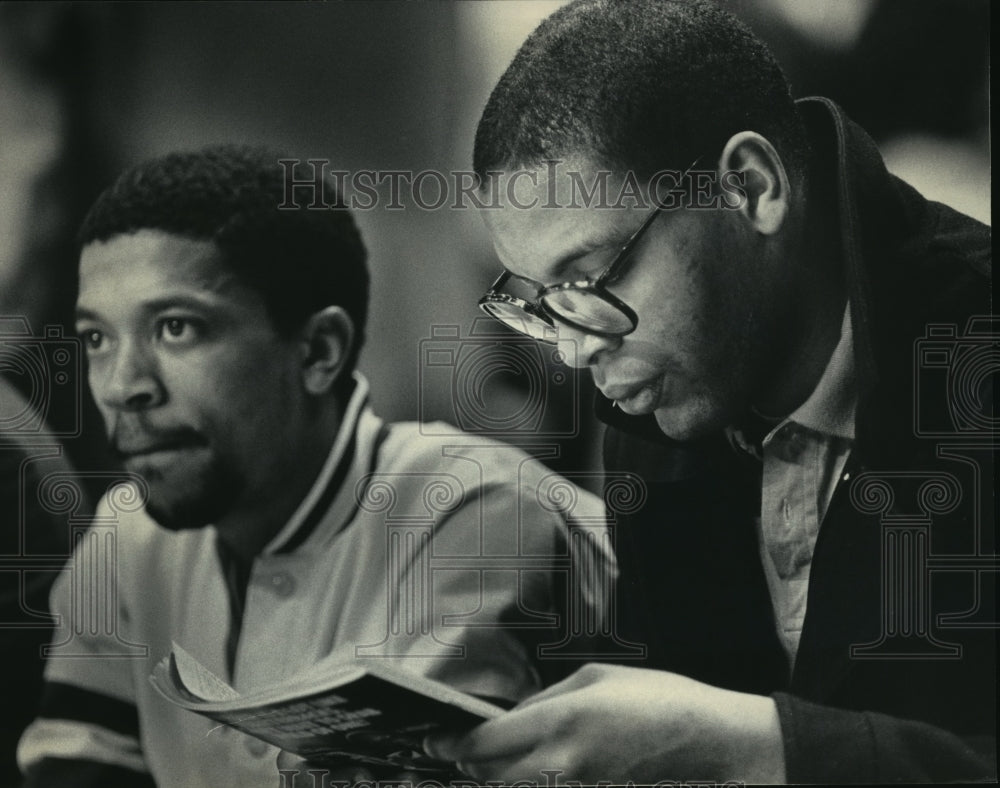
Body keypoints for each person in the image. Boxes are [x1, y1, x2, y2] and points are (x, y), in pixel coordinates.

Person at [426, 0, 994, 783]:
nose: (573, 348)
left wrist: (758, 746)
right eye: (542, 302)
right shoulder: (650, 419)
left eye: (591, 279)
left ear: (750, 187)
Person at [16, 145, 616, 787]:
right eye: (97, 339)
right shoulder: (128, 533)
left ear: (318, 351)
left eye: (176, 328)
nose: (121, 385)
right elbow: (78, 765)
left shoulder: (475, 507)